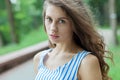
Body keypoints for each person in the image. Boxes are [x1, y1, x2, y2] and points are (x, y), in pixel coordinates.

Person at [34, 0, 112, 80]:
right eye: (49, 19)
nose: (53, 28)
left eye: (62, 21)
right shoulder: (40, 59)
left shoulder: (86, 62)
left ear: (75, 25)